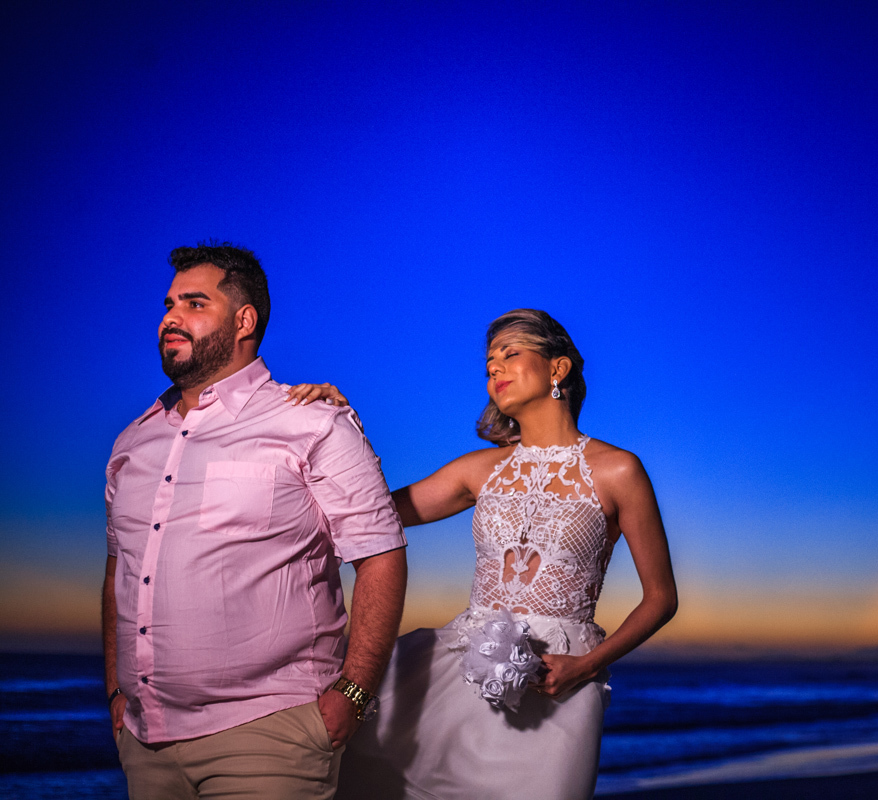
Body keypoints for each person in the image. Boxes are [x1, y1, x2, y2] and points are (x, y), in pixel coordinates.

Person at [287, 308, 678, 799]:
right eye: (489, 361)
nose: (494, 367)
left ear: (558, 369)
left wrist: (587, 664)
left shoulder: (619, 470)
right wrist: (340, 424)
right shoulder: (480, 470)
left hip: (561, 685)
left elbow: (661, 598)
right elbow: (375, 510)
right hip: (459, 672)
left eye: (511, 354)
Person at [102, 242, 408, 800]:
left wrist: (353, 694)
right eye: (169, 303)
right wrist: (115, 691)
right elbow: (120, 568)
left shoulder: (313, 424)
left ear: (245, 321)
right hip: (144, 743)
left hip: (270, 736)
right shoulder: (132, 443)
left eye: (195, 303)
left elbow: (381, 553)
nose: (171, 316)